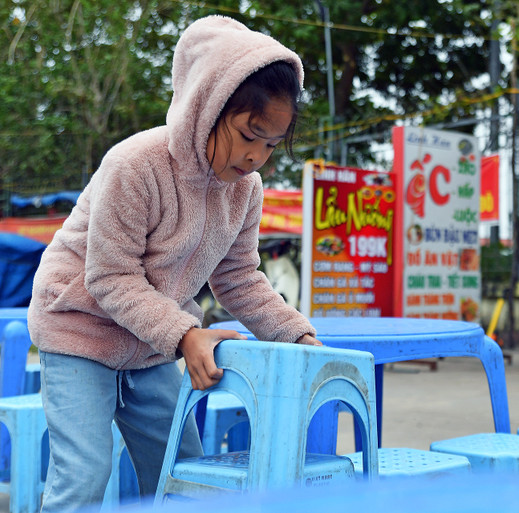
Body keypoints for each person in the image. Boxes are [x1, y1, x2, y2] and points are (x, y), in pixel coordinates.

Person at [27, 15, 321, 512]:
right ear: (208, 108)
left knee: (181, 474)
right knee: (85, 474)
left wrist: (297, 335)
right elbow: (111, 277)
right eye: (249, 134)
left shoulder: (244, 192)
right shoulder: (135, 165)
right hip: (79, 331)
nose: (256, 158)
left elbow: (239, 277)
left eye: (270, 145)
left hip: (149, 346)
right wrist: (186, 335)